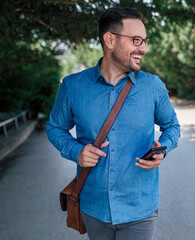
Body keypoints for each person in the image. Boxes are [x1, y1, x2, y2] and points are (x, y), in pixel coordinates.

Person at [47, 7, 180, 240]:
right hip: (93, 206)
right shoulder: (72, 86)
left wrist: (163, 148)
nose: (144, 48)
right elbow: (55, 127)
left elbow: (172, 126)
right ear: (110, 40)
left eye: (145, 41)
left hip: (140, 207)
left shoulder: (153, 86)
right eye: (136, 40)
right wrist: (76, 151)